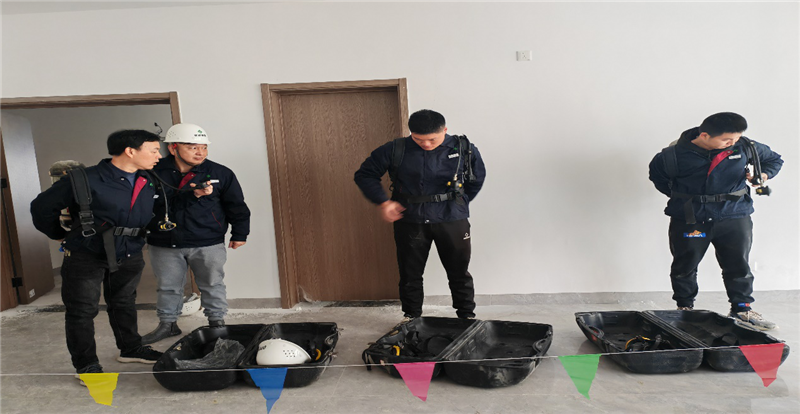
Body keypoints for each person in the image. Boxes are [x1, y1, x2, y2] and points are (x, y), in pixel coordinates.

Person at [30, 130, 165, 380]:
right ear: (130, 151)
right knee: (82, 310)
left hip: (130, 250)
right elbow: (41, 208)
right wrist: (58, 234)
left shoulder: (148, 179)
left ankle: (131, 348)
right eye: (154, 150)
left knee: (124, 302)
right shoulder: (83, 179)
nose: (159, 155)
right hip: (87, 253)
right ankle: (87, 365)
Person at [648, 112, 783, 331]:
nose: (733, 143)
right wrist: (688, 200)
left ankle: (742, 309)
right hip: (691, 218)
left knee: (738, 264)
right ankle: (685, 309)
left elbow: (774, 159)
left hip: (734, 215)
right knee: (685, 265)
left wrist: (764, 175)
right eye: (727, 140)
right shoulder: (671, 155)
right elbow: (659, 178)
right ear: (704, 135)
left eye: (736, 138)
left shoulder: (744, 146)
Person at [354, 109, 486, 325]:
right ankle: (411, 317)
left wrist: (458, 204)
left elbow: (476, 179)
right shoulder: (395, 149)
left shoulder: (464, 148)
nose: (425, 144)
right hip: (410, 219)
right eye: (418, 139)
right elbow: (365, 174)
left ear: (445, 130)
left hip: (452, 218)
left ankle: (466, 316)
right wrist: (384, 202)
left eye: (432, 139)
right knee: (410, 273)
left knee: (459, 271)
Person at [141, 123, 250, 344]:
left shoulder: (220, 173)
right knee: (168, 286)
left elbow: (236, 205)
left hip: (207, 241)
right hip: (164, 241)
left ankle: (217, 323)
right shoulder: (153, 171)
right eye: (192, 147)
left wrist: (240, 233)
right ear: (173, 148)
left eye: (204, 147)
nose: (200, 152)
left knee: (212, 283)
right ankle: (168, 324)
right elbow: (145, 205)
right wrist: (193, 194)